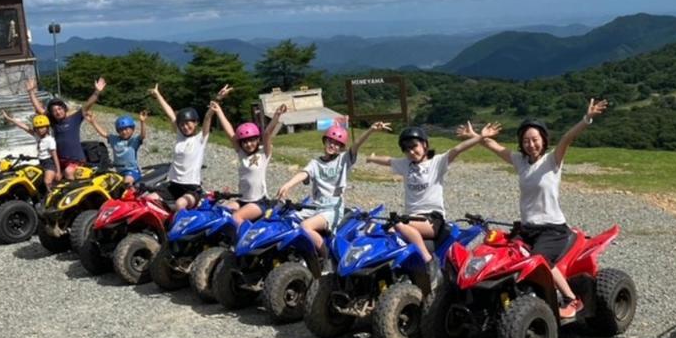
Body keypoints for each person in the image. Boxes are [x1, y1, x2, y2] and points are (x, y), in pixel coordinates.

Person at [478, 99, 608, 319]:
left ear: (543, 140)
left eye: (535, 140)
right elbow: (494, 147)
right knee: (502, 255)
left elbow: (568, 138)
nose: (531, 144)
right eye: (526, 140)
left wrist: (587, 119)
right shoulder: (520, 161)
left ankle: (571, 299)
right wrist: (481, 137)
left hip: (553, 230)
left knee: (538, 260)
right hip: (527, 229)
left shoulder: (552, 160)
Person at [365, 122, 499, 287]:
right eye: (406, 149)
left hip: (432, 220)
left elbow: (458, 149)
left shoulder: (437, 162)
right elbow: (388, 161)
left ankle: (429, 261)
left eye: (414, 147)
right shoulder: (406, 165)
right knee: (386, 231)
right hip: (411, 219)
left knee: (397, 223)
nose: (411, 152)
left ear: (425, 145)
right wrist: (371, 158)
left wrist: (481, 136)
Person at [275, 119, 389, 258]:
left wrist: (370, 130)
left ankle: (326, 257)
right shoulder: (315, 163)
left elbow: (356, 145)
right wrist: (288, 185)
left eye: (337, 144)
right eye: (330, 141)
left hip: (332, 209)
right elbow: (304, 173)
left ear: (341, 148)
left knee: (305, 227)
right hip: (316, 206)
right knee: (286, 218)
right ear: (325, 141)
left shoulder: (344, 159)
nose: (332, 145)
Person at [149, 83, 230, 211]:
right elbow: (170, 114)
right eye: (182, 124)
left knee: (180, 204)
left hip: (191, 188)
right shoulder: (180, 136)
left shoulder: (200, 138)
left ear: (196, 123)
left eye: (188, 123)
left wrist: (218, 98)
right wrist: (158, 95)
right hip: (173, 185)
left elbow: (208, 116)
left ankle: (174, 229)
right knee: (150, 199)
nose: (185, 127)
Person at [208, 99, 288, 225]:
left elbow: (267, 134)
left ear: (257, 139)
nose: (248, 144)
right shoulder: (242, 154)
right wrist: (219, 112)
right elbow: (230, 133)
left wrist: (277, 115)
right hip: (242, 200)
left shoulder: (263, 154)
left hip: (259, 202)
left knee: (236, 218)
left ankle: (240, 243)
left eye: (252, 140)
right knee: (218, 211)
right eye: (245, 141)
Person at [26, 75, 105, 180]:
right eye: (54, 111)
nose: (57, 112)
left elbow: (87, 105)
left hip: (76, 160)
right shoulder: (53, 122)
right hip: (60, 160)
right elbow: (40, 110)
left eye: (59, 109)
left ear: (64, 109)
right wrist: (31, 92)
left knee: (68, 172)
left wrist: (97, 92)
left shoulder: (75, 118)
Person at [1, 110, 62, 189]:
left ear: (47, 127)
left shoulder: (50, 140)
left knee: (48, 182)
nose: (40, 130)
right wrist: (10, 119)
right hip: (41, 162)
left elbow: (55, 156)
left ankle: (51, 198)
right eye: (38, 128)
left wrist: (58, 172)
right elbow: (23, 126)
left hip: (49, 164)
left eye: (43, 127)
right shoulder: (37, 136)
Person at [87, 110, 148, 184]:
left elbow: (143, 135)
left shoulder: (134, 141)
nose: (124, 132)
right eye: (121, 130)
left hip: (132, 171)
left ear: (132, 129)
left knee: (127, 181)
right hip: (119, 172)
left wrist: (142, 122)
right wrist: (93, 122)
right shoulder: (115, 140)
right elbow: (103, 133)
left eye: (126, 129)